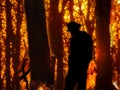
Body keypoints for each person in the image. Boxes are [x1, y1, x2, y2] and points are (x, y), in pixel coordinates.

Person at [65, 21, 93, 90]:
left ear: (74, 30)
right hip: (83, 66)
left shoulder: (75, 39)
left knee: (69, 85)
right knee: (81, 85)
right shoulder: (86, 36)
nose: (70, 33)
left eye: (71, 31)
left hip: (76, 67)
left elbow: (74, 54)